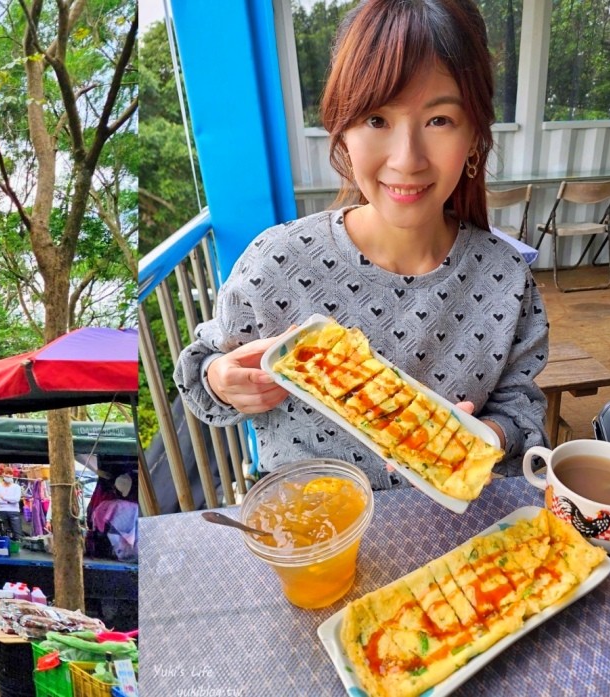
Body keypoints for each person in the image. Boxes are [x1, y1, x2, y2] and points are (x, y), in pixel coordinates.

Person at [173, 0, 547, 491]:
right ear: (342, 128)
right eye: (376, 120)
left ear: (475, 133)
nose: (407, 159)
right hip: (310, 533)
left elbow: (521, 404)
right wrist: (223, 379)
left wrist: (481, 436)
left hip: (455, 535)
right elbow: (201, 368)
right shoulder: (277, 262)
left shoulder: (505, 276)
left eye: (439, 120)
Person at [0, 473, 24, 540]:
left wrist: (3, 497)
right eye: (7, 475)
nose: (9, 476)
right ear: (3, 475)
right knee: (3, 531)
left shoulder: (16, 487)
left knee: (17, 532)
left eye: (11, 475)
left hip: (14, 511)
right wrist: (9, 501)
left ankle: (16, 545)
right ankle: (5, 546)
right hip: (2, 510)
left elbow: (16, 499)